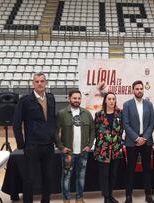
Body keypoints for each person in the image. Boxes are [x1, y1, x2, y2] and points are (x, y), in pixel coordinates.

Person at [13, 72, 56, 203]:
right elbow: (16, 124)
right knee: (29, 179)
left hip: (48, 146)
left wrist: (53, 137)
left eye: (42, 81)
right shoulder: (25, 101)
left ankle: (45, 201)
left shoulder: (51, 98)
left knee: (48, 177)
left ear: (46, 83)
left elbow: (52, 119)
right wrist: (22, 145)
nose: (39, 84)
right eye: (37, 81)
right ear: (33, 84)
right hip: (32, 146)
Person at [55, 89, 95, 203]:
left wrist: (89, 145)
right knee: (66, 177)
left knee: (81, 177)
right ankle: (66, 199)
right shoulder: (62, 114)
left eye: (79, 98)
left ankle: (79, 198)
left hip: (83, 152)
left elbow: (93, 130)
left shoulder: (86, 113)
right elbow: (55, 132)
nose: (77, 100)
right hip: (68, 153)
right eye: (74, 98)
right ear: (69, 98)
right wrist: (61, 147)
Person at [122, 80, 154, 203]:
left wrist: (144, 138)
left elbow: (152, 123)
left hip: (146, 142)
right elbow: (125, 124)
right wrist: (136, 138)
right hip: (132, 142)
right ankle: (128, 195)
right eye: (137, 89)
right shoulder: (127, 105)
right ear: (133, 90)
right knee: (130, 169)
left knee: (147, 169)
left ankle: (148, 195)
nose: (139, 90)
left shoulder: (149, 104)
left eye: (141, 88)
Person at [94, 92, 123, 203]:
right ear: (105, 100)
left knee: (113, 174)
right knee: (104, 175)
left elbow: (121, 130)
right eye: (109, 99)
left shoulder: (120, 114)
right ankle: (106, 197)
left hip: (115, 149)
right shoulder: (99, 114)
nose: (111, 101)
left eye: (113, 99)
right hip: (103, 150)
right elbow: (96, 130)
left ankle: (111, 195)